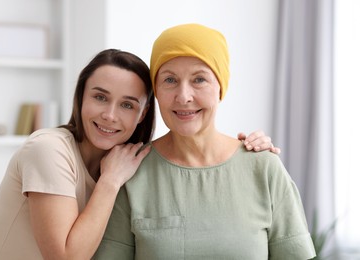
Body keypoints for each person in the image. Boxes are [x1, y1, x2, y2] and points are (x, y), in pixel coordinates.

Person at [0, 49, 276, 259]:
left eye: (128, 104)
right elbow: (65, 257)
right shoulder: (49, 150)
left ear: (143, 114)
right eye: (100, 97)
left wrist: (250, 146)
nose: (110, 115)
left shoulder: (128, 162)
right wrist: (109, 182)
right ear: (80, 98)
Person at [94, 24, 316, 259]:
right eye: (170, 80)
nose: (183, 96)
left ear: (220, 87)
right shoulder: (131, 172)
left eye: (199, 79)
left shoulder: (264, 167)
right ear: (156, 91)